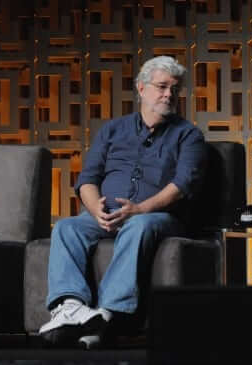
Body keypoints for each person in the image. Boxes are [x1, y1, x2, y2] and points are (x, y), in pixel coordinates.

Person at [38, 56, 206, 347]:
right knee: (67, 227)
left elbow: (181, 186)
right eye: (162, 87)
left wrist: (139, 208)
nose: (170, 94)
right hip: (105, 216)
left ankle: (107, 313)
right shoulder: (113, 130)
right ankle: (72, 308)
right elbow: (87, 179)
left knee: (138, 225)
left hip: (157, 217)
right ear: (141, 88)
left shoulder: (188, 135)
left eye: (175, 89)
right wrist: (96, 210)